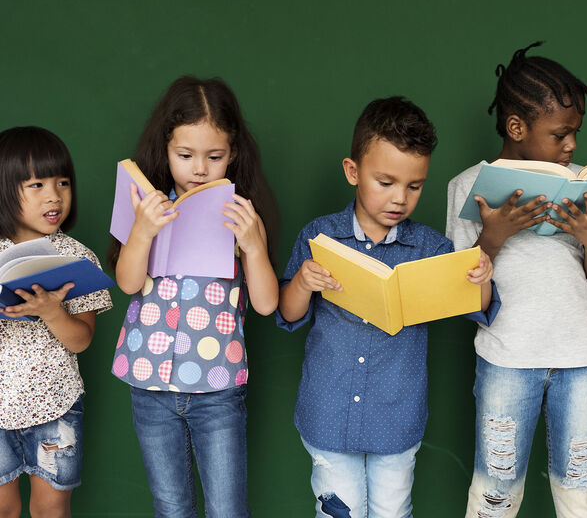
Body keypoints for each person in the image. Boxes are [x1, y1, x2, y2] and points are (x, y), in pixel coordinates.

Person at [277, 96, 499, 518]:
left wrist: (482, 280)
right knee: (338, 513)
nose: (400, 198)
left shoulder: (432, 248)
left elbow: (478, 309)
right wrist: (304, 282)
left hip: (397, 417)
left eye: (414, 186)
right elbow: (288, 314)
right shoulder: (320, 236)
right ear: (352, 172)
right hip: (328, 412)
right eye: (386, 182)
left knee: (393, 512)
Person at [446, 42, 587, 518]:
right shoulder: (469, 188)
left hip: (581, 357)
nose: (572, 145)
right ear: (516, 127)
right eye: (561, 134)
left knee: (581, 487)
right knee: (496, 490)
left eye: (576, 133)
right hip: (508, 358)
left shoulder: (583, 184)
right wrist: (493, 236)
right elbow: (462, 290)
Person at [110, 76, 279, 518]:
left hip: (216, 386)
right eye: (185, 155)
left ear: (234, 153)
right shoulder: (149, 207)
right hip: (149, 383)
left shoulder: (241, 215)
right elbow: (128, 283)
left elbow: (265, 304)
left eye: (214, 156)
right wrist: (142, 232)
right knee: (170, 504)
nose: (199, 168)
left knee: (226, 509)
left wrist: (255, 247)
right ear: (165, 150)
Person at [0, 126, 112, 518]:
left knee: (51, 507)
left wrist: (51, 312)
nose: (54, 195)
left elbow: (81, 340)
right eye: (36, 184)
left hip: (56, 405)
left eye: (62, 182)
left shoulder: (77, 258)